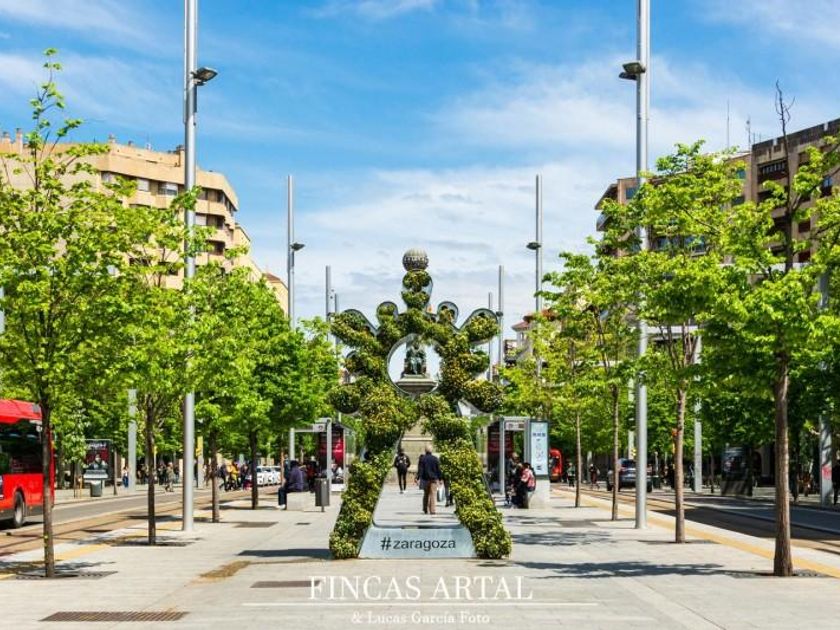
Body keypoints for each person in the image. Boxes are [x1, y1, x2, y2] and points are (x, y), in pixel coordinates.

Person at [416, 444, 442, 515]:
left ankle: (425, 508)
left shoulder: (422, 459)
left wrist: (418, 478)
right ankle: (432, 510)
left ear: (425, 450)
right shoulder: (435, 459)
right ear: (431, 450)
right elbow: (438, 470)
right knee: (433, 495)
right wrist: (440, 478)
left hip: (425, 479)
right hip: (433, 479)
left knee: (426, 494)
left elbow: (420, 470)